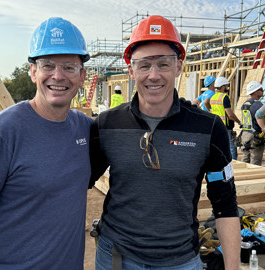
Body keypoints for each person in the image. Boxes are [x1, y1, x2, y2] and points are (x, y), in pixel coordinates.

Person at [89, 15, 240, 270]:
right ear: (131, 69)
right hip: (116, 258)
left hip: (180, 261)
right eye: (144, 65)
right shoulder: (106, 125)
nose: (154, 75)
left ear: (179, 67)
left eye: (163, 64)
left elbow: (225, 207)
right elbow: (74, 184)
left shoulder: (208, 128)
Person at [0, 17, 93, 270]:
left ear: (82, 76)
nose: (58, 76)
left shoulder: (84, 127)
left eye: (69, 67)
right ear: (33, 71)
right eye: (47, 65)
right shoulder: (2, 131)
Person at [210, 77, 242, 160]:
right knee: (232, 148)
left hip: (216, 127)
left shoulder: (213, 97)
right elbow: (230, 115)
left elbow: (207, 104)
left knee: (219, 148)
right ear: (223, 86)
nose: (227, 87)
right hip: (225, 127)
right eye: (226, 86)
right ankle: (233, 166)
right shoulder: (224, 97)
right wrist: (239, 122)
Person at [240, 81, 265, 166]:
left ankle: (242, 177)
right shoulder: (257, 104)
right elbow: (262, 119)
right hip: (255, 136)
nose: (262, 91)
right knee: (255, 161)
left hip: (245, 135)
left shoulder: (245, 104)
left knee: (245, 159)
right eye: (261, 89)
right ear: (255, 91)